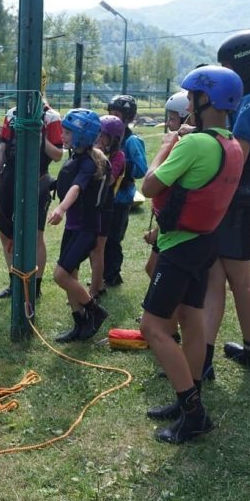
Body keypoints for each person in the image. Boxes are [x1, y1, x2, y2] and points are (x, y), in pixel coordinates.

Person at [140, 65, 244, 443]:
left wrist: (166, 146)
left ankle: (193, 412)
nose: (186, 103)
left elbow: (149, 186)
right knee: (190, 320)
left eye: (191, 97)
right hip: (204, 244)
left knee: (152, 328)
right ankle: (190, 396)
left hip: (179, 247)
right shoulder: (229, 143)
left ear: (205, 100)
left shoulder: (193, 143)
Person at [202, 30, 250, 377]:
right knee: (218, 279)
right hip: (237, 199)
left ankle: (235, 354)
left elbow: (237, 156)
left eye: (228, 65)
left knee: (234, 280)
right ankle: (216, 354)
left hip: (233, 200)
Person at [0, 92, 64, 300]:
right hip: (11, 177)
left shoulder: (52, 118)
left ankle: (34, 287)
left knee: (36, 235)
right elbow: (2, 149)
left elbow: (58, 155)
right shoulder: (12, 114)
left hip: (38, 178)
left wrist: (39, 136)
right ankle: (14, 283)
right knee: (5, 232)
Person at [47, 109, 110, 342]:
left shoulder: (89, 164)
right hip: (73, 228)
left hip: (86, 229)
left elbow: (77, 188)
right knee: (71, 275)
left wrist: (61, 209)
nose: (62, 136)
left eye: (67, 132)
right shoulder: (74, 157)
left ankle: (95, 312)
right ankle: (80, 324)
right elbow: (66, 182)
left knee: (60, 276)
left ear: (82, 136)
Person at [144, 90, 191, 279]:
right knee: (151, 268)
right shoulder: (180, 144)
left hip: (174, 224)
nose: (169, 124)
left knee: (157, 271)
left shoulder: (184, 149)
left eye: (172, 119)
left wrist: (164, 148)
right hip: (166, 221)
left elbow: (150, 185)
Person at [103, 95, 148, 288]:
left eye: (117, 115)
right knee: (102, 237)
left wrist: (121, 164)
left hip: (121, 197)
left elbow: (141, 169)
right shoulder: (108, 138)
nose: (113, 118)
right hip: (107, 196)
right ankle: (104, 273)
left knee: (113, 239)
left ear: (127, 118)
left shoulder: (131, 141)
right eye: (110, 114)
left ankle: (112, 276)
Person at [88, 115, 126, 299]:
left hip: (107, 206)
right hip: (93, 205)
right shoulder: (93, 150)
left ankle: (95, 289)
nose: (99, 138)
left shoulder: (119, 156)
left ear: (114, 139)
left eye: (103, 135)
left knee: (98, 249)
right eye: (98, 134)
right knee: (90, 248)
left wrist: (98, 155)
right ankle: (97, 282)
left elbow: (109, 180)